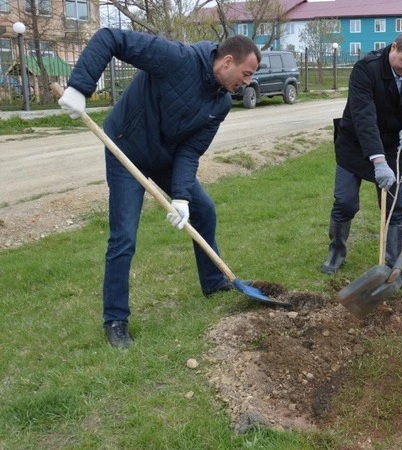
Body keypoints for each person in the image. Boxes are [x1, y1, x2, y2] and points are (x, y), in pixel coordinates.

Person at [57, 29, 261, 348]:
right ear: (227, 62)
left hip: (165, 158)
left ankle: (213, 282)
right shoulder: (176, 58)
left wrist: (180, 195)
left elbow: (190, 151)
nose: (247, 82)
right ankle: (115, 319)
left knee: (203, 209)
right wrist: (80, 86)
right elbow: (111, 38)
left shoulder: (220, 103)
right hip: (126, 148)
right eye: (246, 74)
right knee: (123, 236)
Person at [320, 32, 402, 291]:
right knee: (345, 202)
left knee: (396, 206)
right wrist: (378, 160)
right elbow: (363, 116)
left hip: (394, 147)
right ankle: (336, 251)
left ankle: (394, 266)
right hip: (355, 145)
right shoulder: (365, 69)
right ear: (394, 48)